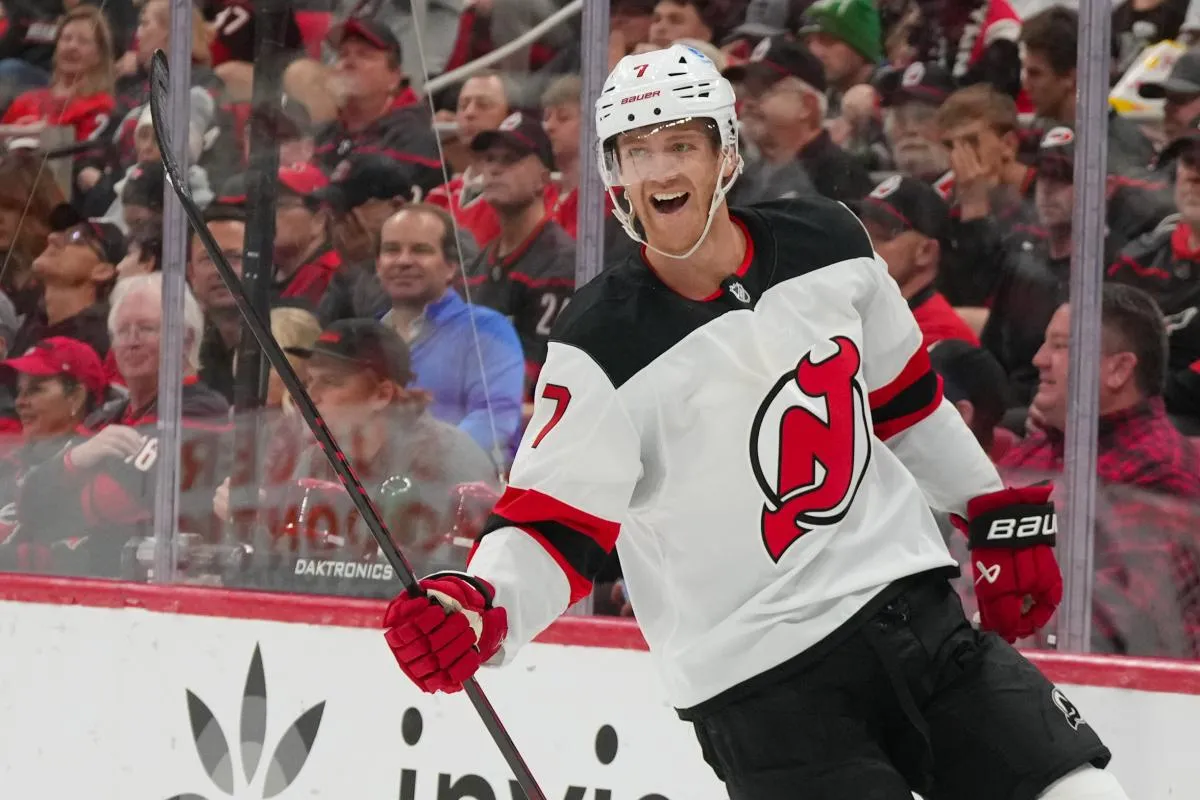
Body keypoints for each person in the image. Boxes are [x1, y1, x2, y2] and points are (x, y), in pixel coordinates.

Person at [381, 44, 1125, 800]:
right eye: (637, 152)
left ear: (724, 153)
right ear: (613, 174)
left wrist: (986, 508)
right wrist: (478, 607)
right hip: (766, 689)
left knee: (1085, 794)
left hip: (918, 621)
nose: (660, 171)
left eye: (680, 144)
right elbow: (552, 526)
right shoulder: (599, 343)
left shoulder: (831, 243)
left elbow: (905, 400)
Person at [1000, 284, 1200, 658]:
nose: (1040, 359)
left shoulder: (1160, 471)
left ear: (1118, 369)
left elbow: (1108, 628)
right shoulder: (1037, 451)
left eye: (1060, 347)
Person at [15, 273, 229, 578]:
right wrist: (75, 461)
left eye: (146, 329)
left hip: (166, 590)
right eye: (122, 331)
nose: (132, 341)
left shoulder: (204, 410)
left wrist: (61, 486)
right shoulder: (105, 417)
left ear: (186, 340)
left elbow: (115, 503)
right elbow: (28, 506)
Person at [377, 205, 524, 466]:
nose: (403, 260)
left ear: (451, 267)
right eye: (391, 250)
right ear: (378, 264)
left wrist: (417, 462)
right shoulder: (372, 337)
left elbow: (494, 420)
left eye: (420, 250)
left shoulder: (487, 330)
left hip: (461, 495)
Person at [461, 112, 575, 395]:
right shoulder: (477, 264)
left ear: (543, 179)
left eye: (510, 160)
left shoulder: (561, 263)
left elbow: (539, 375)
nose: (495, 170)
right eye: (490, 159)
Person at [0, 336, 109, 573]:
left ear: (76, 397)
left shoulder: (95, 464)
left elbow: (78, 558)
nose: (20, 402)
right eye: (19, 391)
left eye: (35, 390)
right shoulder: (9, 464)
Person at [313, 18, 442, 200]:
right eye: (342, 55)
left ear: (394, 78)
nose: (349, 62)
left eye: (364, 55)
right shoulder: (323, 132)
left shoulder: (412, 136)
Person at [726, 36, 865, 205]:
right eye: (745, 91)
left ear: (807, 106)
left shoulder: (839, 176)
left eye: (761, 90)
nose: (747, 103)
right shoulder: (743, 177)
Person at [1019, 7, 1155, 175]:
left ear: (1071, 76)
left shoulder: (1124, 150)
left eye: (1035, 74)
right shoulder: (1034, 136)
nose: (1025, 86)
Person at [857, 175, 977, 349]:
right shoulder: (865, 317)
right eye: (861, 231)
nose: (863, 245)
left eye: (880, 236)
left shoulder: (940, 338)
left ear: (926, 252)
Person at [11, 206, 124, 361]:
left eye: (77, 238)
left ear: (102, 271)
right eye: (62, 234)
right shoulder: (33, 323)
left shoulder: (100, 342)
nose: (52, 238)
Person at [427, 71, 514, 248]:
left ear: (510, 117)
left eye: (483, 105)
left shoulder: (522, 198)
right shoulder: (438, 197)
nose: (469, 113)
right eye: (463, 105)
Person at [799, 0, 883, 116]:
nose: (814, 52)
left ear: (861, 45)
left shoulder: (893, 99)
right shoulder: (822, 99)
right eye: (808, 42)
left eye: (828, 40)